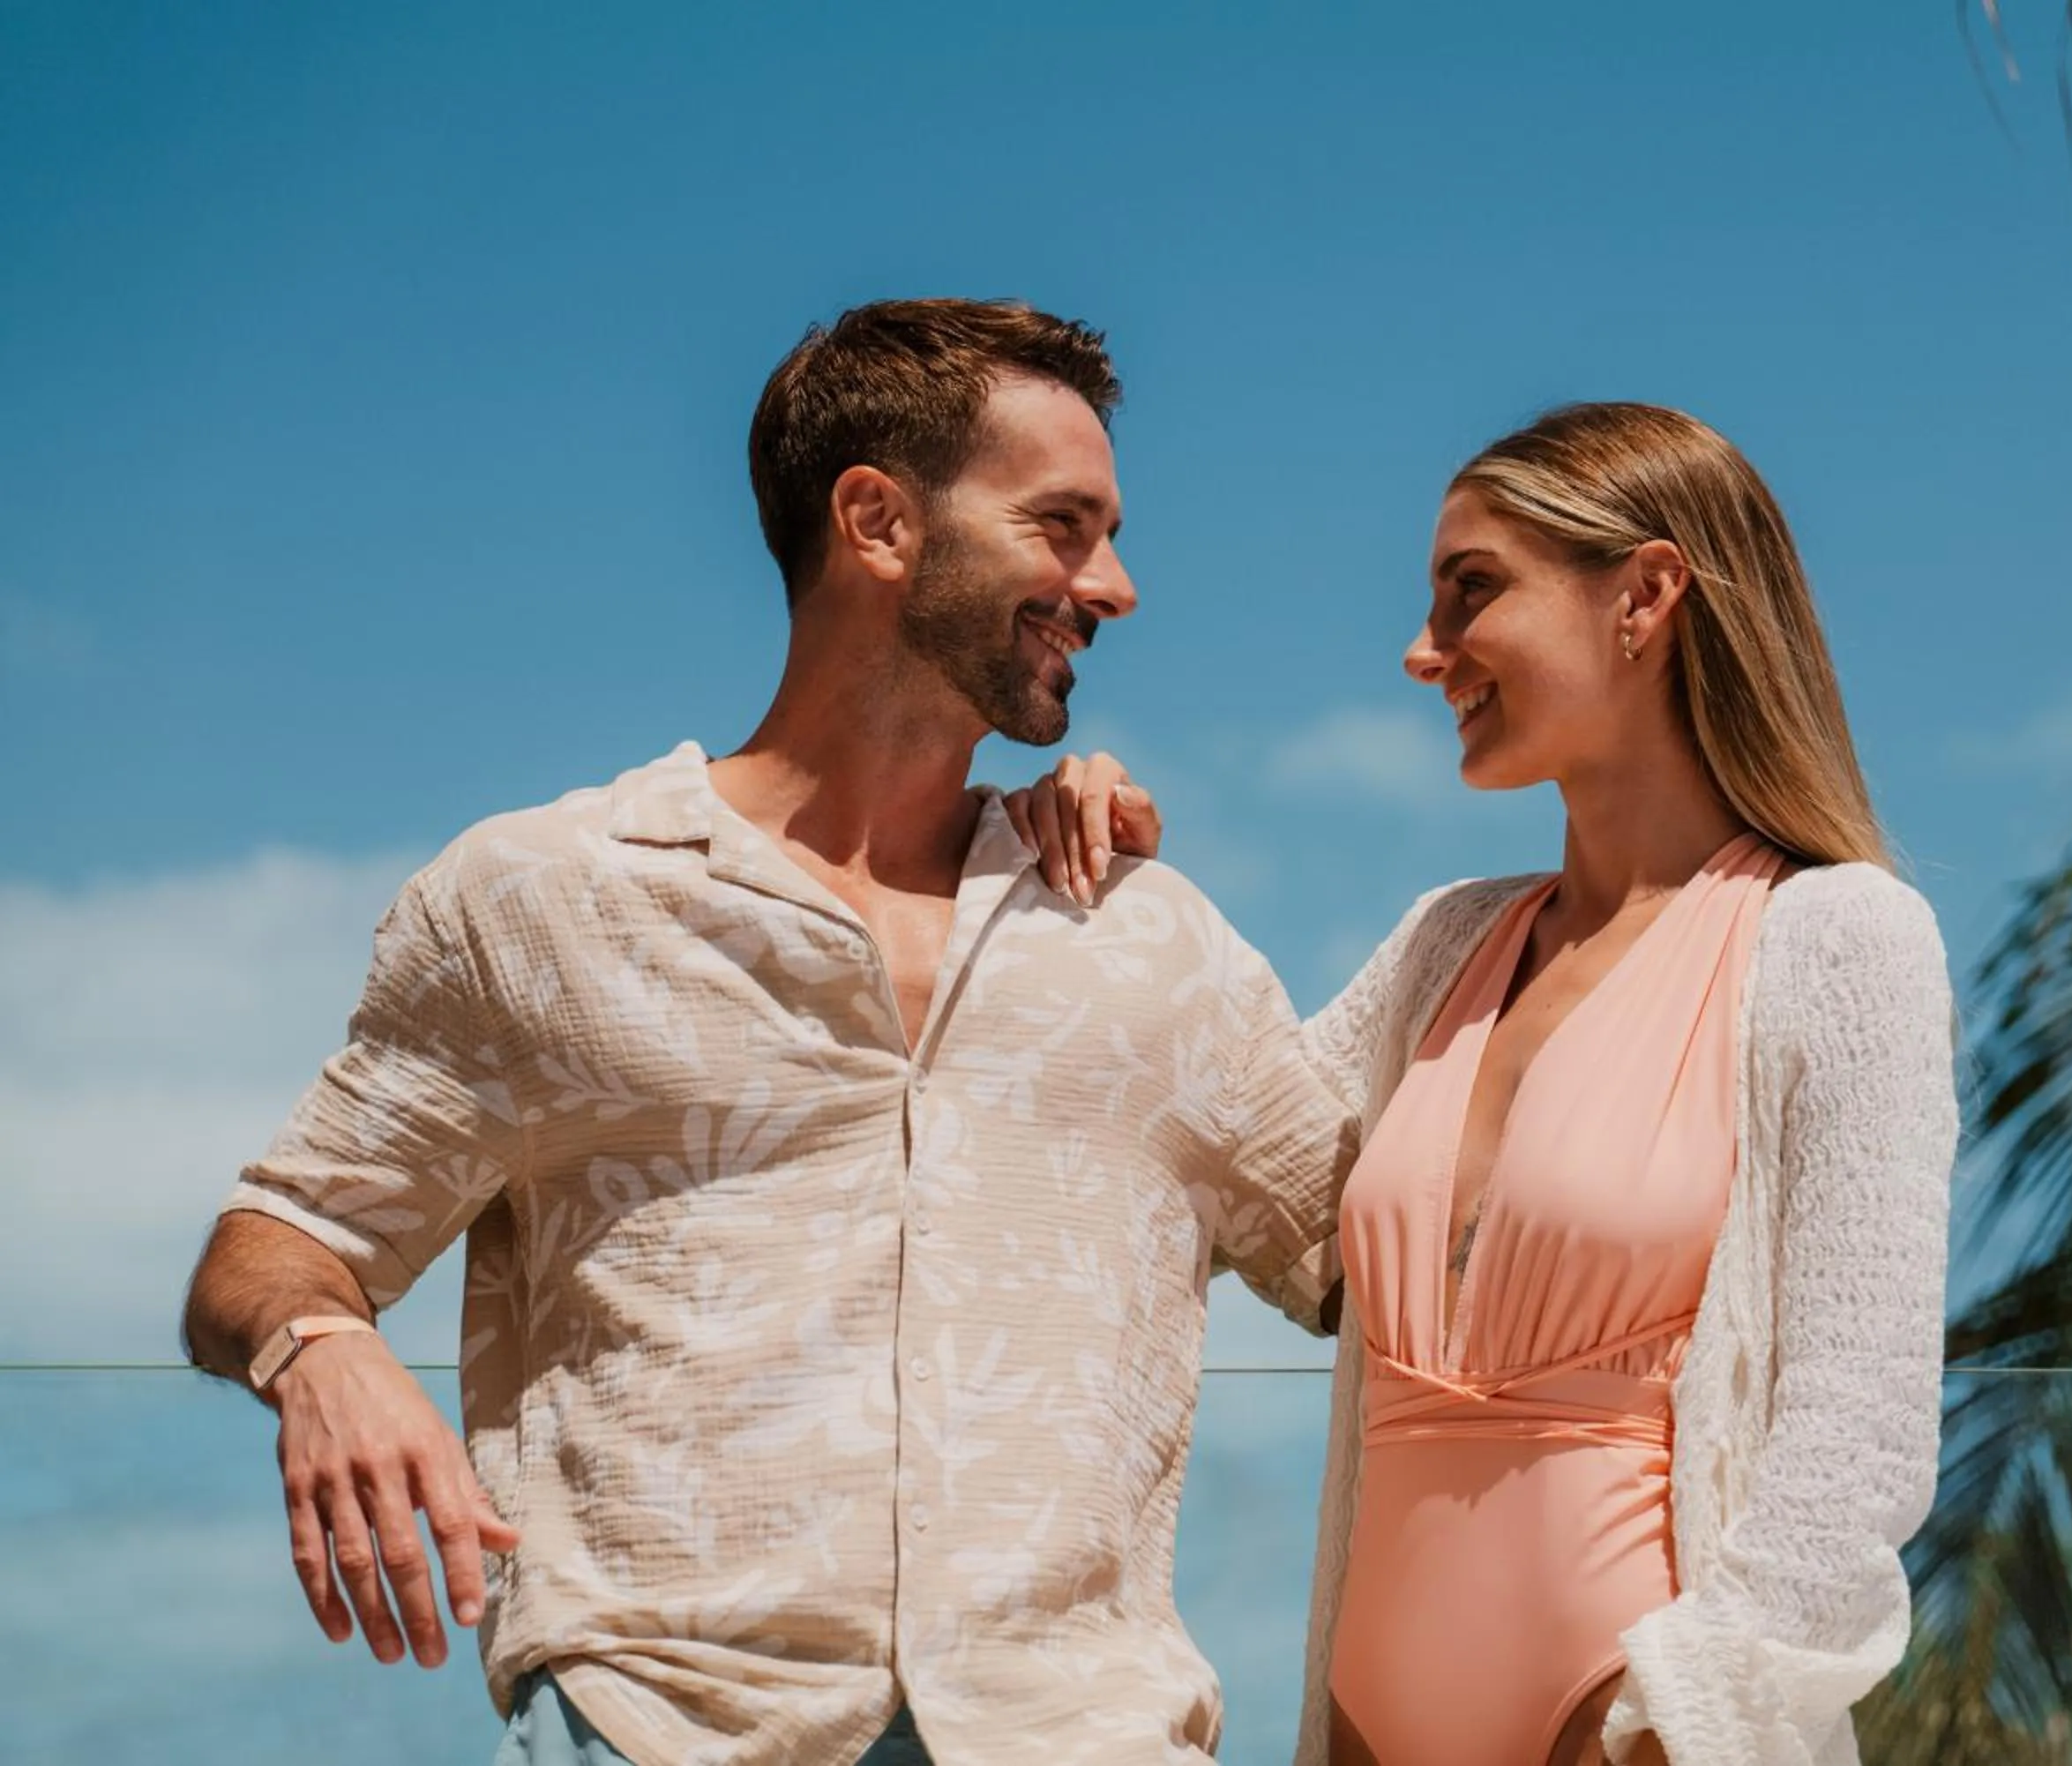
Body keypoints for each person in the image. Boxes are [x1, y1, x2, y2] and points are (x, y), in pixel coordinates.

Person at [178, 298, 1355, 1766]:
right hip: (652, 1728)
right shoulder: (544, 898)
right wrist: (318, 1346)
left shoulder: (1145, 939)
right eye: (1062, 526)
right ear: (877, 522)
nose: (1111, 585)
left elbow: (1394, 1257)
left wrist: (1558, 923)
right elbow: (275, 1243)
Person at [1010, 402, 1958, 1766]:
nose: (1423, 647)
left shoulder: (1840, 940)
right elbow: (1215, 1167)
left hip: (1639, 1728)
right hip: (1363, 1724)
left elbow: (1854, 1443)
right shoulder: (1441, 945)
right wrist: (1099, 893)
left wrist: (1679, 1723)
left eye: (1472, 589)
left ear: (1646, 596)